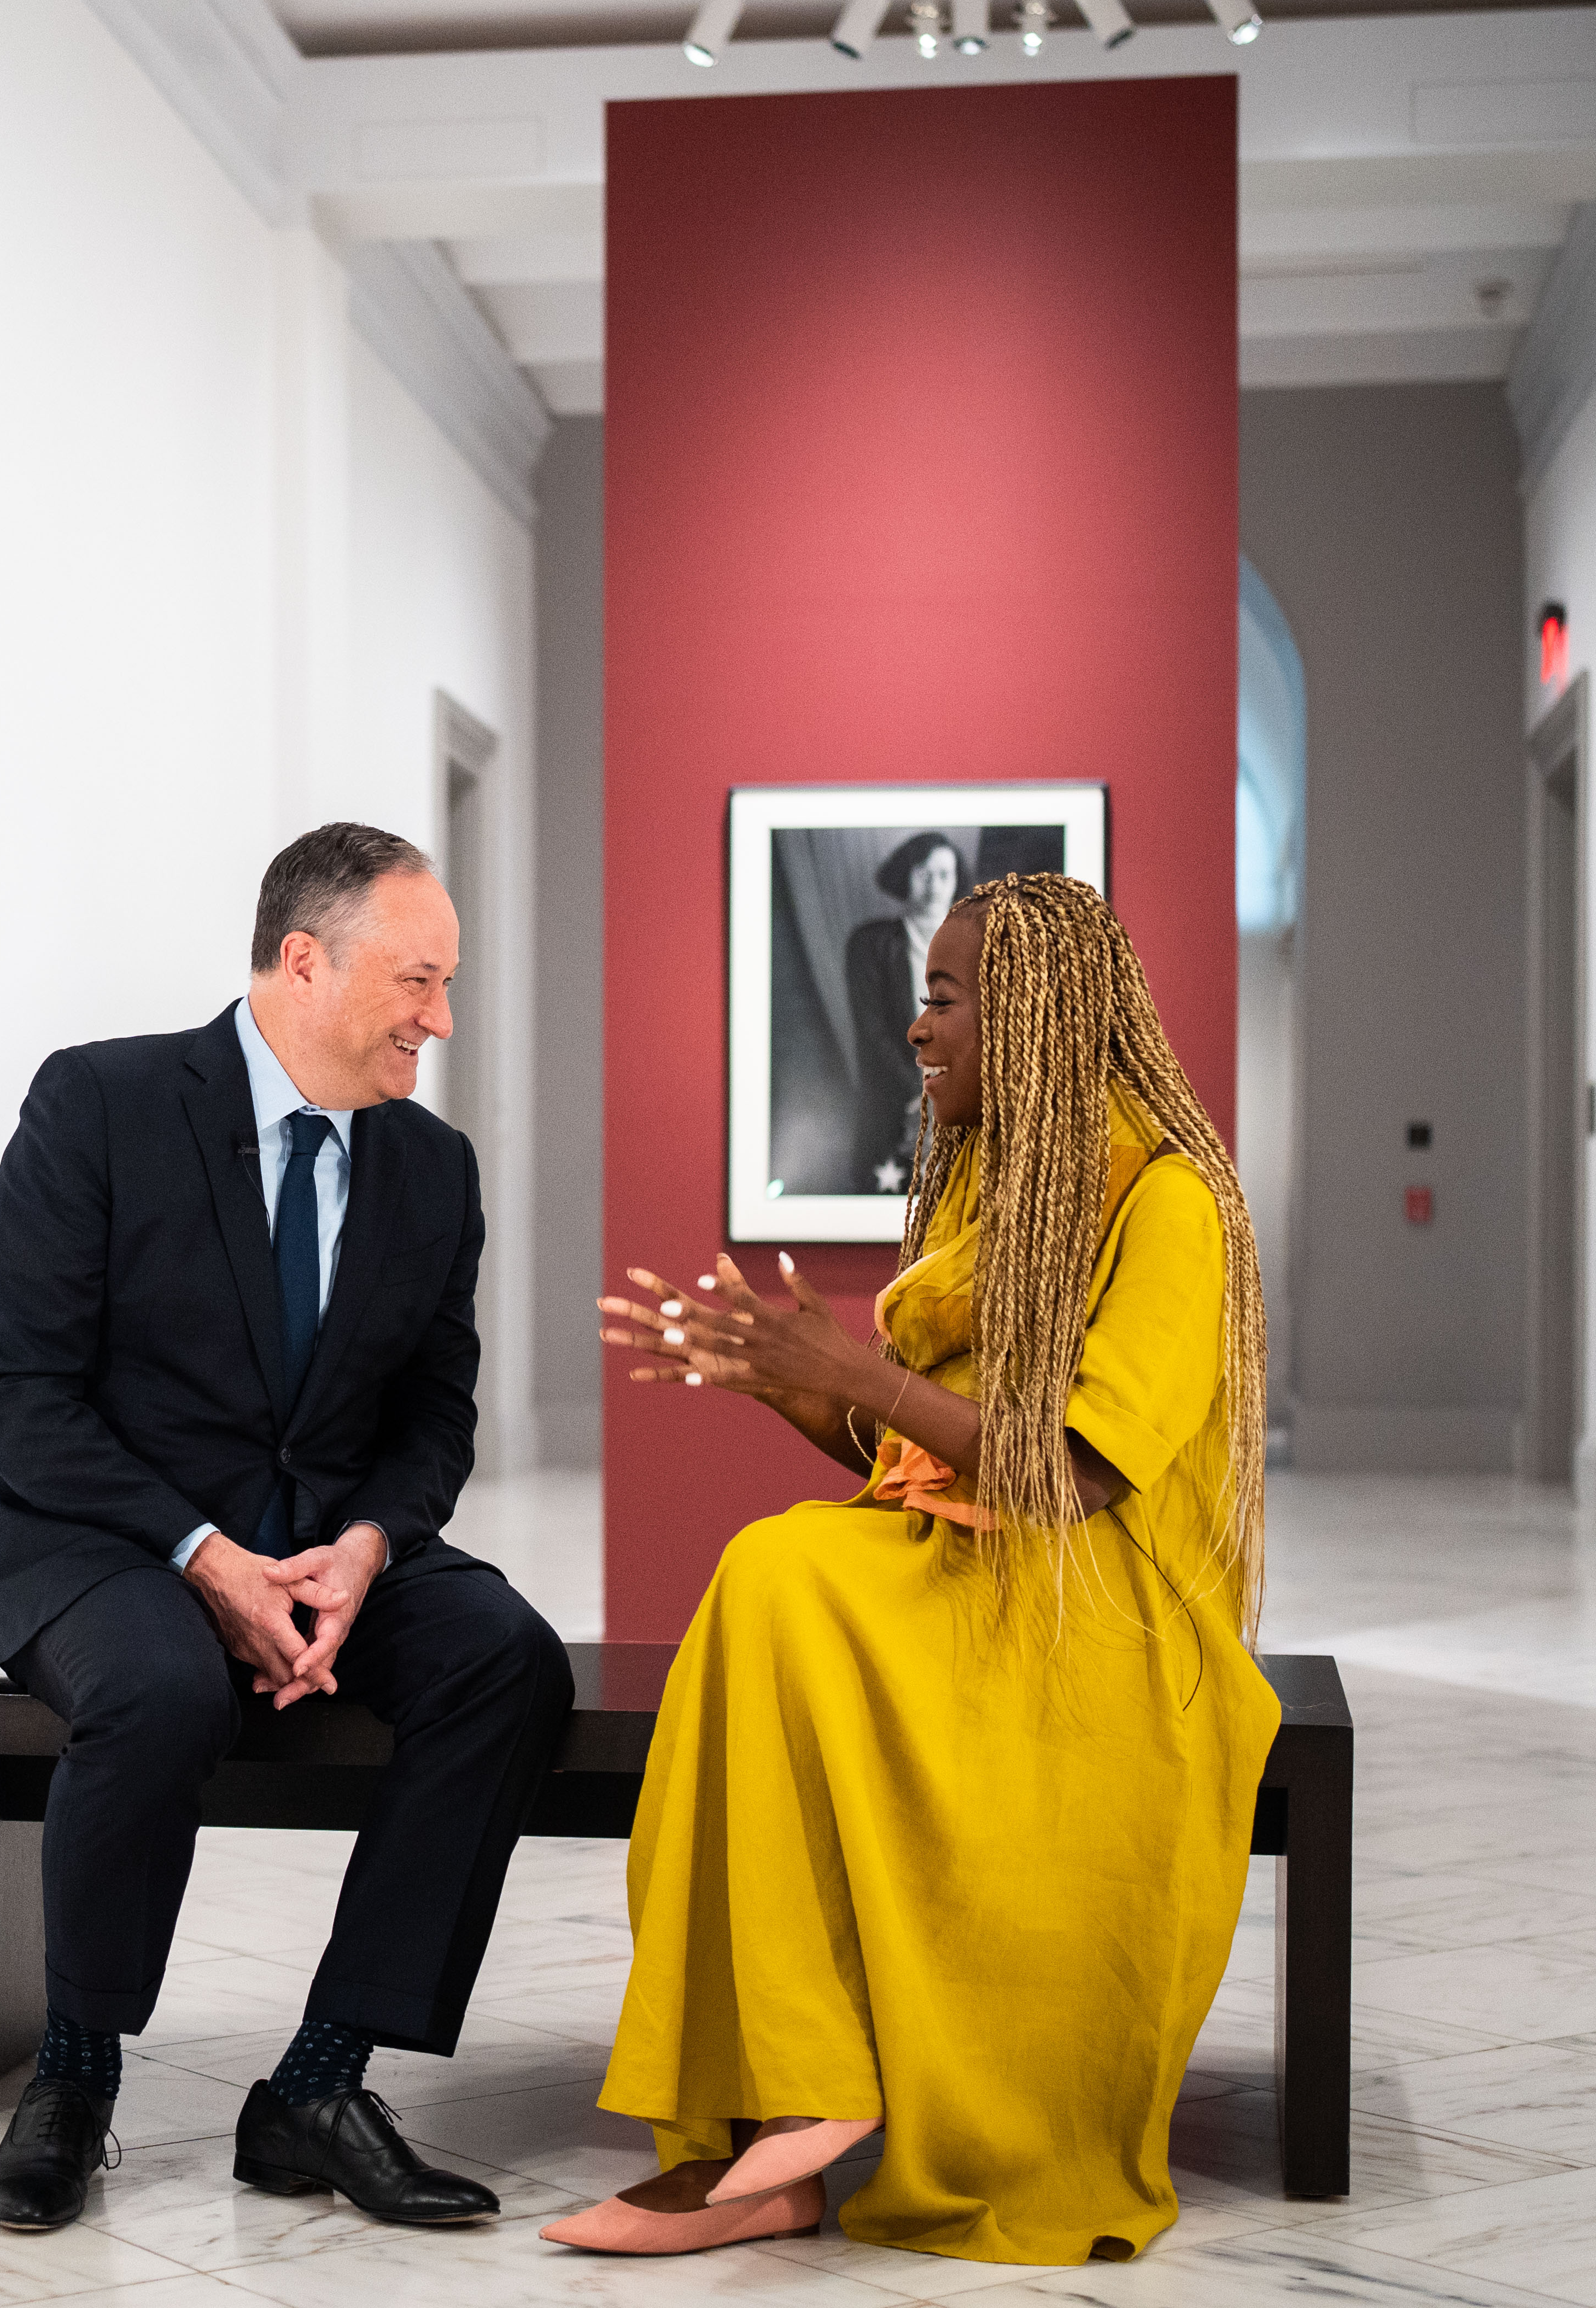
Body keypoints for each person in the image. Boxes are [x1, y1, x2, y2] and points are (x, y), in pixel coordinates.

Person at [544, 869, 1275, 2268]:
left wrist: (851, 1369)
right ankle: (775, 2115)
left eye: (943, 998)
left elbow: (1069, 1473)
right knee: (773, 1585)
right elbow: (930, 1470)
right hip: (986, 1573)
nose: (917, 1027)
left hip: (1108, 1614)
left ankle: (796, 2099)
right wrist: (797, 1385)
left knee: (779, 1576)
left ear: (1037, 1018)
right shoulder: (1001, 1186)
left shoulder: (1175, 1204)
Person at [0, 822, 575, 2236]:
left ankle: (318, 2083)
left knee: (505, 1661)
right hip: (100, 1535)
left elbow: (435, 1419)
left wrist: (367, 1546)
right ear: (307, 961)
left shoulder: (432, 1168)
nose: (443, 1018)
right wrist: (204, 1556)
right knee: (165, 1690)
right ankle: (75, 2072)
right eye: (419, 980)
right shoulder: (100, 1103)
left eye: (449, 982)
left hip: (325, 1546)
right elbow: (13, 1391)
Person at [840, 831, 957, 1193]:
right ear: (905, 876)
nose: (935, 885)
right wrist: (920, 1092)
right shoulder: (870, 944)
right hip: (897, 1099)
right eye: (924, 873)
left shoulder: (977, 946)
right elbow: (871, 1031)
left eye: (945, 875)